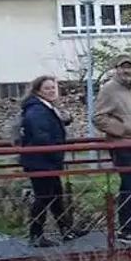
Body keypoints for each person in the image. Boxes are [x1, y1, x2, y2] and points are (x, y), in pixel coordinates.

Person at [93, 55, 131, 246]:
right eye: (123, 67)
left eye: (130, 67)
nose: (127, 70)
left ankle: (130, 228)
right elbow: (98, 118)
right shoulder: (109, 88)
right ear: (116, 69)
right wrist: (122, 130)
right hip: (121, 144)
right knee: (130, 185)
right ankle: (127, 231)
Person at [18, 75, 78, 247]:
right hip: (41, 161)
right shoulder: (36, 110)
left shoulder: (44, 107)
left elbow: (49, 126)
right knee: (44, 197)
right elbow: (41, 135)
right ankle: (36, 235)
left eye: (53, 87)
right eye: (47, 88)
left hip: (45, 160)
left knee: (56, 195)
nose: (52, 91)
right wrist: (56, 151)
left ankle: (66, 230)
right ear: (38, 91)